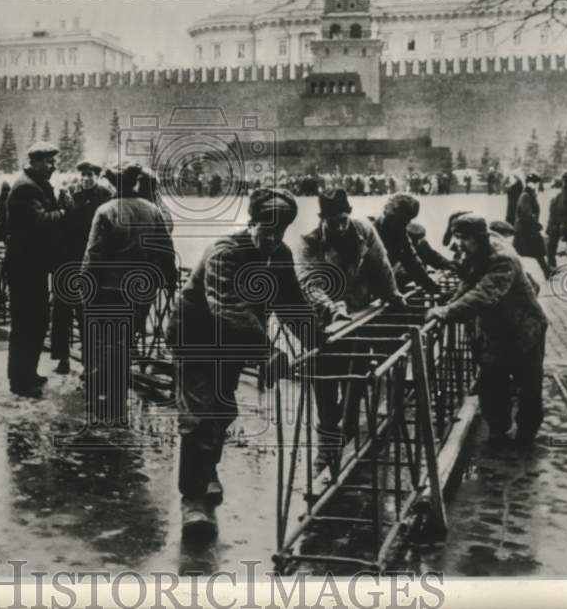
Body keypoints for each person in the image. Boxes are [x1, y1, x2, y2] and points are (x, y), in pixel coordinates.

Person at [167, 188, 314, 537]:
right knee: (198, 417)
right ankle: (193, 501)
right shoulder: (225, 253)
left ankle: (209, 472)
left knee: (222, 409)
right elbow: (227, 305)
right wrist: (267, 352)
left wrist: (316, 340)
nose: (273, 239)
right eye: (267, 230)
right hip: (196, 338)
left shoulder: (278, 253)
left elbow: (292, 302)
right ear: (252, 222)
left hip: (231, 342)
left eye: (280, 232)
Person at [296, 188, 404, 471]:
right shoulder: (311, 241)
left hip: (358, 316)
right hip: (325, 324)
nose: (341, 226)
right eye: (334, 221)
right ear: (323, 219)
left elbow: (381, 266)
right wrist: (333, 308)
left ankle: (351, 434)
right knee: (326, 383)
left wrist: (393, 295)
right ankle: (326, 449)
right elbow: (310, 283)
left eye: (344, 218)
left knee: (355, 376)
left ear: (349, 214)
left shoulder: (363, 231)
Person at [426, 214, 548, 447]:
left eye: (464, 238)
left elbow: (484, 293)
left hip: (524, 328)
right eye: (457, 237)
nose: (460, 244)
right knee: (492, 381)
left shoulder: (502, 259)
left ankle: (526, 436)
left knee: (529, 385)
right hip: (496, 330)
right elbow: (469, 281)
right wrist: (451, 303)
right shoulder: (479, 248)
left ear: (479, 238)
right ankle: (497, 431)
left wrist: (447, 312)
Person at [81, 163, 177, 424]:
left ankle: (105, 401)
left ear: (113, 185)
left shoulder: (106, 211)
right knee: (124, 342)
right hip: (141, 290)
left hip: (109, 290)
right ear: (136, 183)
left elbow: (94, 253)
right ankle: (117, 400)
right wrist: (170, 279)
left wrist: (85, 284)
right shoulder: (153, 211)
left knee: (105, 344)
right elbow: (167, 249)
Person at [5, 142, 71, 396]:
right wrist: (65, 211)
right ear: (35, 161)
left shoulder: (32, 184)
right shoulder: (26, 189)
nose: (53, 166)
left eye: (54, 161)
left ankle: (27, 373)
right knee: (27, 322)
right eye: (48, 161)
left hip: (31, 266)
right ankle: (21, 381)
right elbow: (40, 222)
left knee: (35, 320)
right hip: (25, 267)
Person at [50, 160, 113, 375]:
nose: (86, 178)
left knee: (87, 313)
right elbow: (60, 225)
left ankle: (89, 362)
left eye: (91, 175)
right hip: (67, 260)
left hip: (91, 263)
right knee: (61, 311)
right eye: (84, 175)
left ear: (97, 176)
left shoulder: (105, 196)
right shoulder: (70, 195)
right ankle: (63, 358)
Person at [372, 193, 441, 294]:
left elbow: (411, 260)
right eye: (404, 220)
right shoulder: (370, 229)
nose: (407, 224)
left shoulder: (399, 229)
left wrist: (430, 286)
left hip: (384, 279)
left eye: (408, 220)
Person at [513, 173, 552, 281]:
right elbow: (526, 214)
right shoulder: (526, 195)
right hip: (525, 230)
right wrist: (536, 224)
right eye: (534, 183)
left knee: (537, 251)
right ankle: (516, 274)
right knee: (519, 253)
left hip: (528, 229)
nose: (535, 185)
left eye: (536, 183)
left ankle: (547, 271)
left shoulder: (530, 194)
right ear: (529, 183)